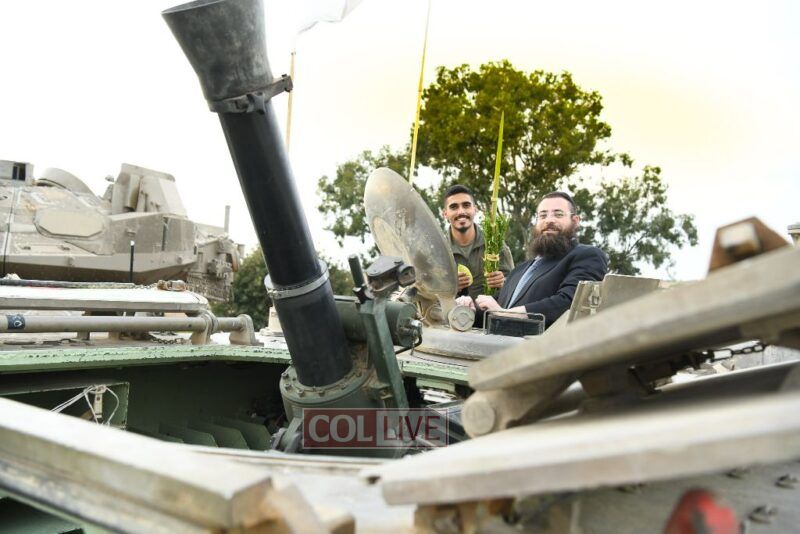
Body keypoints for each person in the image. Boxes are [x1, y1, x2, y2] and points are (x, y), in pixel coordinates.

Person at [457, 191, 608, 329]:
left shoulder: (587, 255)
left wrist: (504, 314)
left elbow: (571, 303)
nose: (549, 220)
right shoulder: (520, 270)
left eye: (558, 214)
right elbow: (493, 311)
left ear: (575, 220)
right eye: (543, 215)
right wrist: (470, 309)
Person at [443, 184, 514, 299]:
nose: (461, 211)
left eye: (466, 205)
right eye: (454, 207)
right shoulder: (438, 249)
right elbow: (429, 292)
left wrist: (503, 282)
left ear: (475, 209)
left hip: (491, 309)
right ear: (445, 213)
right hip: (453, 310)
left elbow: (514, 285)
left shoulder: (495, 244)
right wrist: (449, 286)